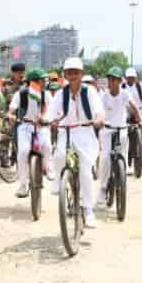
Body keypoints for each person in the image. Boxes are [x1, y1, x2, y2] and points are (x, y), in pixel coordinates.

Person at [46, 56, 105, 228]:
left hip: (85, 132)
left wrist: (98, 120)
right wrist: (47, 120)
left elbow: (99, 111)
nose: (72, 76)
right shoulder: (61, 94)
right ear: (65, 75)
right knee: (59, 156)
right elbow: (50, 113)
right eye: (69, 73)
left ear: (81, 74)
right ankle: (59, 181)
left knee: (85, 170)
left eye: (76, 73)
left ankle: (88, 210)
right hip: (66, 131)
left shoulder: (89, 92)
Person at [97, 68, 142, 204]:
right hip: (107, 130)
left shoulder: (124, 94)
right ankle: (103, 188)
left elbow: (134, 107)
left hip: (121, 129)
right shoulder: (104, 96)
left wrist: (141, 120)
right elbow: (99, 112)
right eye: (109, 79)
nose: (111, 82)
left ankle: (121, 178)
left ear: (119, 81)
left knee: (122, 154)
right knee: (105, 158)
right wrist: (99, 120)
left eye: (114, 80)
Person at [8, 68, 53, 197]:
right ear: (34, 82)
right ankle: (23, 185)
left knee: (47, 146)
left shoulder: (46, 94)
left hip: (42, 126)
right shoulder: (21, 94)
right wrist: (11, 116)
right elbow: (11, 110)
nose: (45, 82)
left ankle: (47, 168)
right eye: (42, 80)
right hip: (25, 126)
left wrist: (48, 119)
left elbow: (52, 110)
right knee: (23, 152)